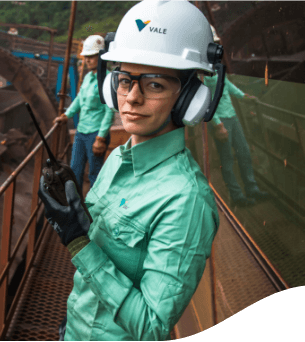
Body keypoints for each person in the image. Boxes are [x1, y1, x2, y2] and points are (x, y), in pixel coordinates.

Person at [39, 1, 222, 340]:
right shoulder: (117, 159)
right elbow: (102, 260)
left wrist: (78, 241)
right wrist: (75, 217)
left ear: (189, 99)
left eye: (154, 84)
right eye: (124, 80)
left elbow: (152, 327)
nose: (132, 98)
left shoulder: (186, 201)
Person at [203, 27, 270, 207]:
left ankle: (252, 188)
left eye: (216, 44)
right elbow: (205, 100)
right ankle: (237, 196)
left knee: (244, 153)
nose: (216, 47)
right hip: (221, 121)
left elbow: (227, 87)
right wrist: (217, 125)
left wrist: (245, 97)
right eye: (213, 44)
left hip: (232, 116)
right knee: (227, 159)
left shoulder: (217, 68)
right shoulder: (203, 73)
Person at [55, 35, 115, 190]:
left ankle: (94, 209)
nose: (87, 60)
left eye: (91, 57)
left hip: (96, 133)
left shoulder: (108, 79)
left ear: (101, 56)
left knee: (94, 174)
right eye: (86, 57)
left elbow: (109, 112)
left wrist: (100, 138)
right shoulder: (88, 77)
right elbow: (79, 99)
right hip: (81, 132)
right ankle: (76, 206)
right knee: (75, 171)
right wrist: (65, 115)